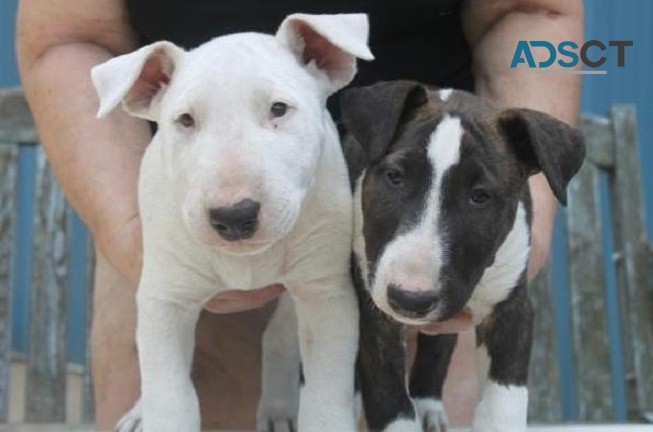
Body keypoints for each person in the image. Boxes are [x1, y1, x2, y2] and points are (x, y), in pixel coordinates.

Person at [16, 0, 583, 429]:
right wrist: (131, 230)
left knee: (420, 396)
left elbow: (537, 10)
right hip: (174, 195)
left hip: (429, 163)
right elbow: (67, 36)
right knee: (187, 393)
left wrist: (514, 200)